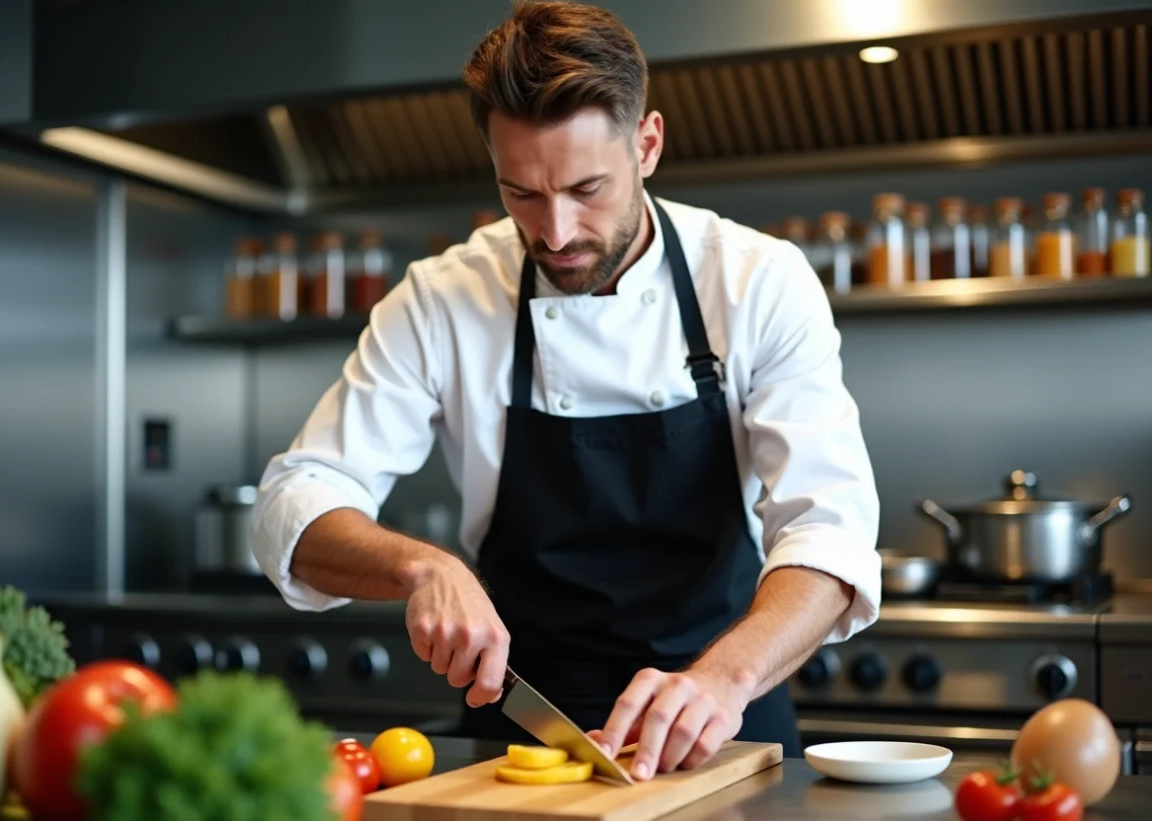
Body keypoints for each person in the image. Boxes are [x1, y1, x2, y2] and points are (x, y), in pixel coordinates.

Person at [252, 0, 880, 779]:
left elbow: (831, 531)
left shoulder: (756, 280)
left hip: (721, 727)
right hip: (518, 740)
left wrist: (725, 678)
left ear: (647, 144)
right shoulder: (444, 297)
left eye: (588, 188)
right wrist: (421, 567)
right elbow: (294, 501)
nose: (555, 232)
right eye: (521, 193)